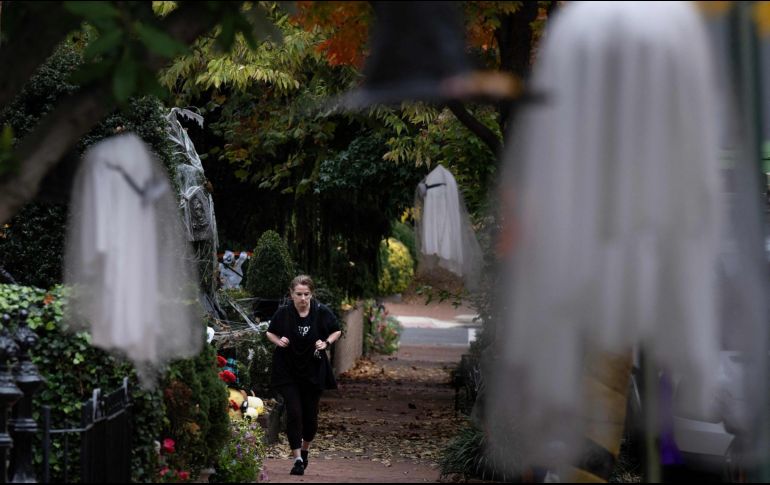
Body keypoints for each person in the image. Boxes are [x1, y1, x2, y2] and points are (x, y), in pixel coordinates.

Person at [265, 275, 341, 476]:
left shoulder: (320, 311)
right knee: (294, 413)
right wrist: (278, 341)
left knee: (310, 419)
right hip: (288, 371)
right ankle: (297, 458)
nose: (303, 298)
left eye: (306, 294)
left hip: (313, 371)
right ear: (291, 294)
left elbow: (336, 330)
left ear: (311, 294)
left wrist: (326, 343)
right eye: (299, 294)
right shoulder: (284, 313)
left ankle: (305, 449)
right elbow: (269, 332)